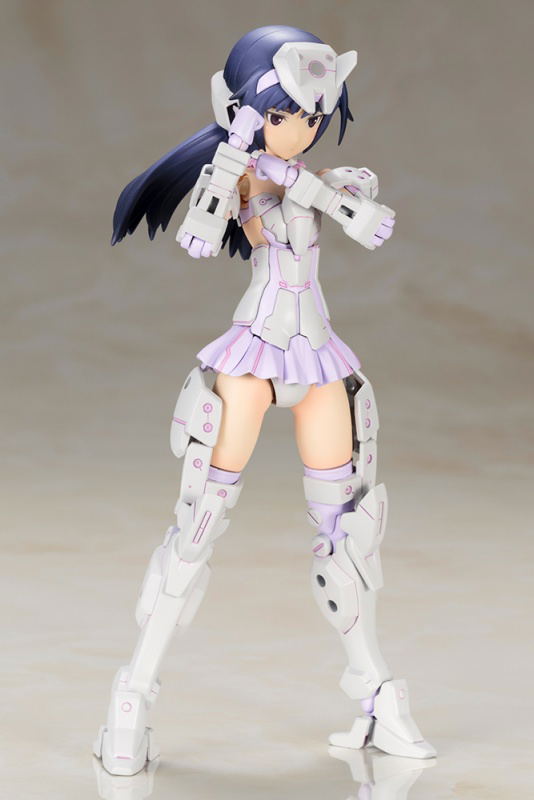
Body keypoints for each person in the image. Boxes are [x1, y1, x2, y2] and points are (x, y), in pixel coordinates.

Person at [93, 25, 436, 776]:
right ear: (247, 111)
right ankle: (134, 694)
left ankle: (375, 694)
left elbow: (353, 204)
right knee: (199, 519)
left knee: (348, 532)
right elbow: (202, 234)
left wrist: (335, 191)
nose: (302, 129)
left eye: (314, 115)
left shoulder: (316, 178)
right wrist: (238, 159)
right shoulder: (240, 177)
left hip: (316, 352)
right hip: (254, 351)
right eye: (285, 115)